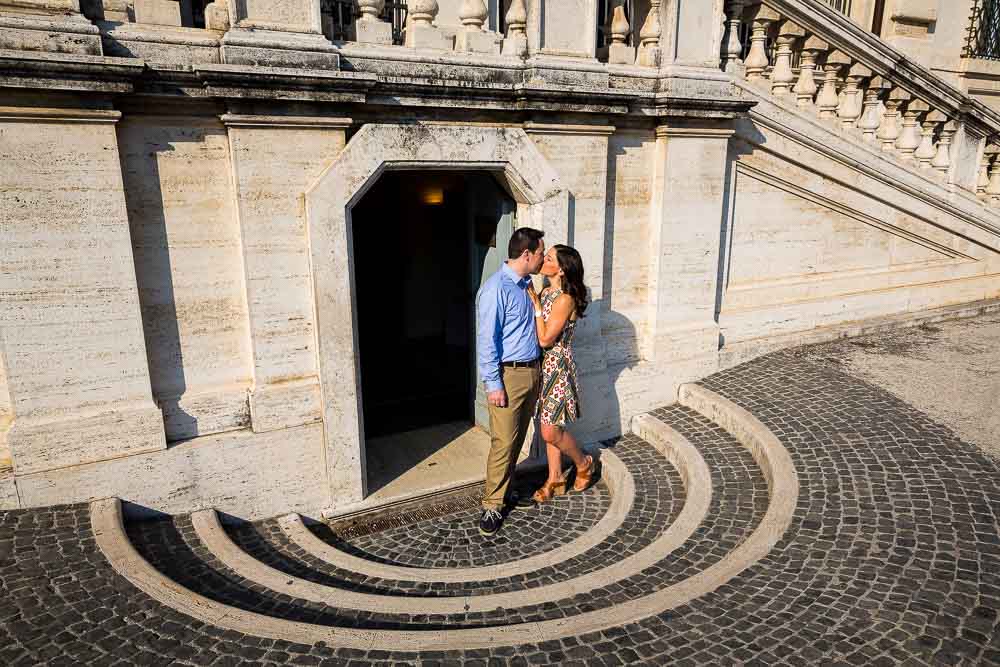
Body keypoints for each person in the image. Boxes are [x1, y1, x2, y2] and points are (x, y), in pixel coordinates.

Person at [475, 227, 546, 535]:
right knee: (503, 442)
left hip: (531, 370)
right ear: (526, 254)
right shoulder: (496, 289)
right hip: (508, 375)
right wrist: (493, 384)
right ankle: (492, 505)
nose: (543, 258)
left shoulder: (527, 284)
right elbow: (487, 341)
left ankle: (506, 491)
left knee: (516, 438)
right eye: (541, 253)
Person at [526, 244, 595, 502]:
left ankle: (583, 462)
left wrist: (535, 306)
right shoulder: (545, 292)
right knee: (549, 424)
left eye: (550, 258)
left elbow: (545, 339)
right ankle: (555, 478)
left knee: (549, 431)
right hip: (543, 367)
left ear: (562, 269)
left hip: (558, 367)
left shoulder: (565, 299)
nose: (543, 259)